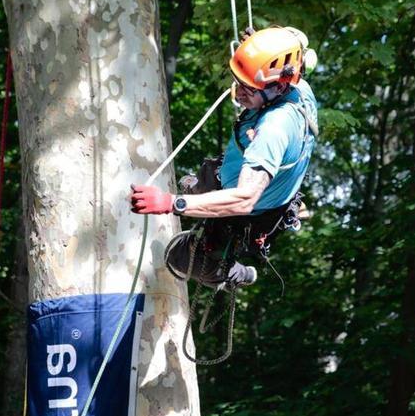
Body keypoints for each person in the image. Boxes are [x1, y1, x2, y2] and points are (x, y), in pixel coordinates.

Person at [130, 26, 319, 291]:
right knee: (205, 178)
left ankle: (236, 273)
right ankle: (200, 188)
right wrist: (257, 50)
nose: (238, 93)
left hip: (251, 210)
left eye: (249, 88)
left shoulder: (274, 129)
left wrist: (171, 203)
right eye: (238, 81)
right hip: (236, 170)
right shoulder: (297, 85)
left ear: (280, 85)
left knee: (181, 259)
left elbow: (243, 200)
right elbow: (295, 42)